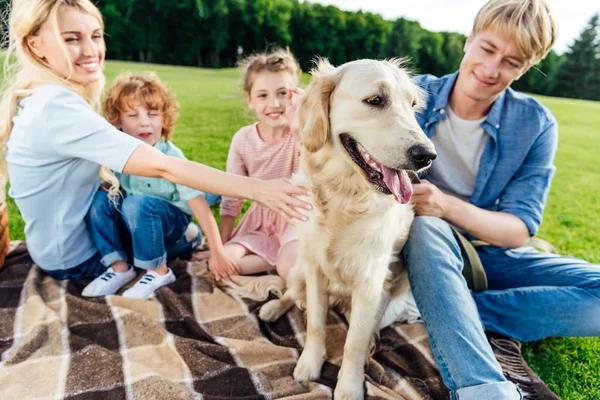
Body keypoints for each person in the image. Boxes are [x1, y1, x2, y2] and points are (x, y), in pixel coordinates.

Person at [1, 0, 310, 289]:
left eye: (95, 35)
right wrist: (259, 189)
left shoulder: (40, 97)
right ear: (35, 45)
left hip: (54, 248)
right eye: (71, 39)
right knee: (158, 216)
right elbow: (164, 166)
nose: (91, 49)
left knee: (136, 201)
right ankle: (184, 240)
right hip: (79, 259)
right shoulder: (58, 107)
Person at [402, 0, 600, 398]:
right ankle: (484, 388)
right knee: (426, 226)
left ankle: (449, 310)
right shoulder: (409, 95)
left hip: (490, 253)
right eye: (487, 49)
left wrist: (445, 205)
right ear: (468, 40)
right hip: (418, 244)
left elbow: (518, 230)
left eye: (512, 62)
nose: (492, 70)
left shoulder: (536, 123)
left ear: (526, 68)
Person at [81, 72, 238, 298]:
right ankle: (119, 268)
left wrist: (217, 252)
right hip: (138, 226)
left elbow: (199, 207)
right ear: (118, 121)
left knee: (137, 204)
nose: (145, 121)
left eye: (153, 114)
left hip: (171, 227)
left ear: (164, 119)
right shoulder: (119, 153)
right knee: (102, 198)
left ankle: (159, 271)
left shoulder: (171, 158)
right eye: (133, 115)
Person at [194, 48, 302, 283]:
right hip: (260, 225)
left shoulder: (301, 135)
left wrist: (298, 124)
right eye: (262, 95)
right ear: (250, 100)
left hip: (297, 221)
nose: (274, 103)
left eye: (282, 93)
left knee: (289, 265)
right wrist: (219, 248)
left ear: (295, 95)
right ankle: (272, 262)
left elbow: (316, 169)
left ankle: (281, 264)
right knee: (224, 265)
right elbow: (232, 197)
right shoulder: (243, 140)